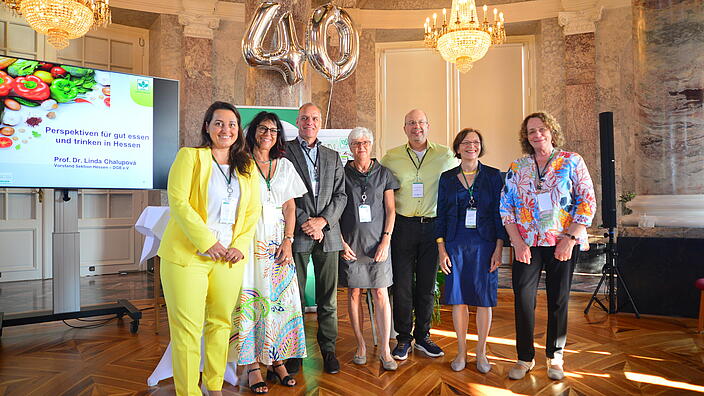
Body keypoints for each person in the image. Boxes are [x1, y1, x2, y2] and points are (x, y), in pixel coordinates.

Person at [157, 101, 261, 396]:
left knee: (221, 325)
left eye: (231, 124)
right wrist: (207, 242)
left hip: (229, 258)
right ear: (207, 126)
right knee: (187, 330)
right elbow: (178, 203)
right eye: (218, 123)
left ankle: (213, 387)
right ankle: (188, 392)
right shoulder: (190, 157)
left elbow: (252, 210)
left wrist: (239, 245)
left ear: (238, 130)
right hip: (188, 256)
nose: (225, 130)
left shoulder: (246, 166)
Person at [500, 111, 596, 381]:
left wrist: (570, 238)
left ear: (551, 131)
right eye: (531, 131)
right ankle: (524, 357)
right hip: (527, 244)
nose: (537, 135)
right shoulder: (518, 166)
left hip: (562, 243)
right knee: (523, 299)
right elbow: (505, 207)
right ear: (525, 137)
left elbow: (587, 201)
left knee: (559, 300)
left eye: (541, 129)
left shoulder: (571, 161)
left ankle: (556, 356)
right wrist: (517, 242)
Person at [227, 112, 308, 394]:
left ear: (278, 136)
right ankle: (251, 366)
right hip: (250, 239)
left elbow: (290, 208)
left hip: (278, 242)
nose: (268, 134)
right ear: (253, 131)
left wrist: (288, 240)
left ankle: (277, 361)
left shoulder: (284, 165)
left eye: (273, 130)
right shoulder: (240, 162)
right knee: (251, 300)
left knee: (281, 301)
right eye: (263, 128)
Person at [380, 109, 457, 360]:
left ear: (428, 125)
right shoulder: (391, 157)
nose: (416, 127)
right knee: (402, 285)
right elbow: (379, 189)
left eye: (421, 122)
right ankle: (403, 339)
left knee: (426, 286)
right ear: (404, 128)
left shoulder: (445, 155)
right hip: (402, 226)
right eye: (411, 123)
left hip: (432, 228)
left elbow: (463, 181)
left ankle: (423, 336)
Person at [435, 128, 506, 373]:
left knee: (484, 299)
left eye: (476, 142)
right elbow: (441, 216)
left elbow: (501, 215)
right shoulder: (446, 178)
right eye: (466, 142)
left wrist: (499, 247)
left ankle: (482, 353)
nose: (471, 146)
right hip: (455, 245)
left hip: (485, 245)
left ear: (481, 146)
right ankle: (462, 352)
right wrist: (441, 249)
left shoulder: (495, 177)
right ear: (458, 147)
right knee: (458, 299)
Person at [283, 103, 347, 374]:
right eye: (305, 118)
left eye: (315, 118)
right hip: (297, 233)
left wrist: (322, 221)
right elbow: (281, 192)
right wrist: (306, 222)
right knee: (293, 297)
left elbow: (341, 195)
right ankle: (294, 352)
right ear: (298, 121)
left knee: (328, 299)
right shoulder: (284, 152)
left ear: (321, 122)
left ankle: (328, 350)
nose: (310, 122)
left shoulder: (333, 156)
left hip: (328, 235)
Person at [339, 127, 400, 371]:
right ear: (350, 147)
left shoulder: (384, 173)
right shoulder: (341, 174)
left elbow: (391, 210)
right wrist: (341, 243)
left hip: (378, 246)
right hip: (351, 245)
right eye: (355, 143)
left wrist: (386, 240)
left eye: (365, 142)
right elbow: (335, 208)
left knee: (380, 294)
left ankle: (385, 349)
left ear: (371, 145)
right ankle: (361, 345)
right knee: (354, 294)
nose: (360, 147)